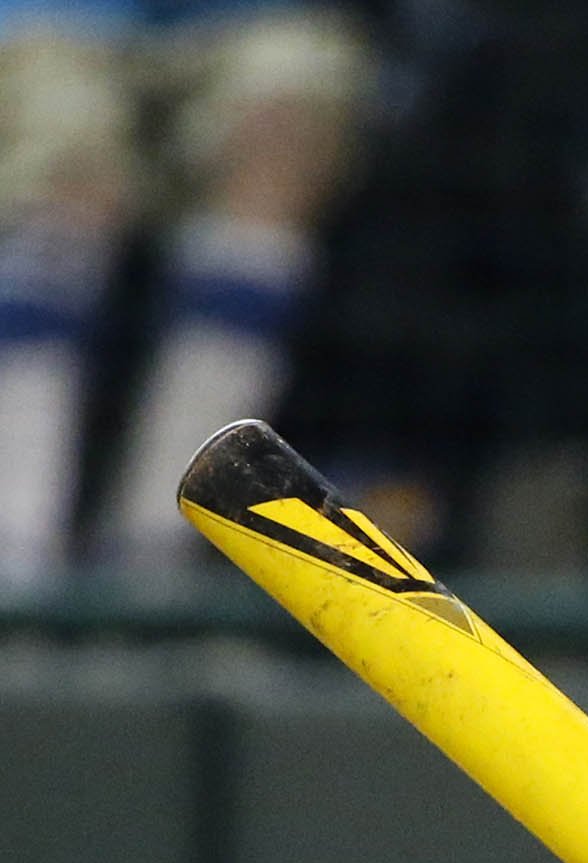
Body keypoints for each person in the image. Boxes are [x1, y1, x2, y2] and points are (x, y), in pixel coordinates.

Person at [0, 0, 370, 584]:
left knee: (287, 101)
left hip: (254, 20)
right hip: (51, 19)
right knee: (60, 143)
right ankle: (16, 570)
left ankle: (159, 568)